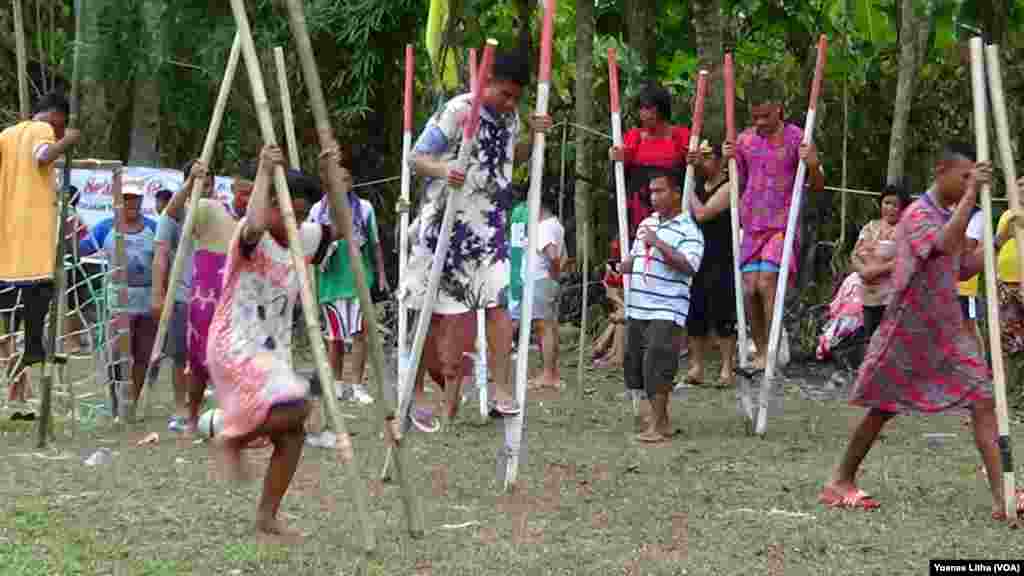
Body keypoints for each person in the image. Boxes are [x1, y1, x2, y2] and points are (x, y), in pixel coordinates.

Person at [820, 143, 1023, 519]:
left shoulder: (948, 214)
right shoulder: (919, 216)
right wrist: (970, 196)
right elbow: (945, 243)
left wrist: (1000, 239)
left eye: (970, 178)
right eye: (962, 177)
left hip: (945, 332)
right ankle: (840, 480)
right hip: (907, 330)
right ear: (941, 170)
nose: (967, 184)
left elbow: (963, 267)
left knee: (982, 400)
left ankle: (1004, 495)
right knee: (881, 408)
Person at [402, 49, 551, 418]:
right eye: (505, 94)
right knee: (425, 308)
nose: (510, 103)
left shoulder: (512, 119)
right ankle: (416, 390)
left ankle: (501, 387)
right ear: (486, 83)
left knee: (499, 304)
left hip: (490, 229)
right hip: (443, 227)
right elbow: (416, 158)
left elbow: (504, 159)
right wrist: (445, 170)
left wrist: (533, 137)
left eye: (516, 97)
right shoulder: (458, 110)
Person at [208, 143, 342, 540]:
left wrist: (332, 180)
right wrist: (265, 170)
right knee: (299, 406)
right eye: (286, 212)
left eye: (300, 215)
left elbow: (346, 229)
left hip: (270, 351)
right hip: (235, 342)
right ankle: (231, 434)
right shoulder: (252, 236)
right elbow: (253, 222)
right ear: (269, 206)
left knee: (293, 433)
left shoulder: (304, 238)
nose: (292, 221)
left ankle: (267, 516)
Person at [691, 83, 825, 370]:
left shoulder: (797, 138)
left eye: (766, 116)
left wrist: (812, 165)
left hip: (781, 223)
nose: (760, 122)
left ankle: (774, 347)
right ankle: (762, 349)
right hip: (752, 224)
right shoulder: (745, 140)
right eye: (755, 117)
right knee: (749, 287)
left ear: (778, 109)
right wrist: (727, 156)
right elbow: (734, 178)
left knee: (767, 282)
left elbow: (817, 185)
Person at [163, 160, 253, 433]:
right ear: (233, 190)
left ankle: (235, 417)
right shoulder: (209, 208)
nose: (245, 199)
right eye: (241, 192)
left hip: (241, 299)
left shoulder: (258, 223)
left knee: (237, 360)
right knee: (199, 359)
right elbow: (172, 213)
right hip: (206, 297)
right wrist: (190, 183)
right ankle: (191, 416)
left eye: (252, 193)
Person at [0, 92, 81, 375]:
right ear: (56, 115)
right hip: (32, 221)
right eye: (63, 122)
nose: (61, 127)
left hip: (8, 221)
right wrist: (68, 140)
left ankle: (27, 345)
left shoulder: (7, 134)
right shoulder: (42, 129)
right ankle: (34, 346)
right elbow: (43, 157)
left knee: (16, 285)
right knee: (41, 284)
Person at [622, 171, 704, 443]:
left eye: (660, 191)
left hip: (667, 307)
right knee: (636, 363)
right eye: (652, 192)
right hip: (638, 305)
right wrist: (619, 268)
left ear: (676, 193)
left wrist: (658, 242)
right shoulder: (647, 223)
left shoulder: (689, 229)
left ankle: (656, 427)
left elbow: (689, 266)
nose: (654, 197)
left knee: (658, 362)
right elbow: (635, 259)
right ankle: (662, 421)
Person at [307, 147, 388, 406]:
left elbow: (374, 244)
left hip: (359, 280)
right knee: (335, 338)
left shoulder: (364, 209)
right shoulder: (316, 212)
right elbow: (310, 250)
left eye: (345, 179)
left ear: (351, 182)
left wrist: (382, 276)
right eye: (335, 179)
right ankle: (338, 384)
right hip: (329, 282)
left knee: (360, 335)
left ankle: (356, 385)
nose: (340, 183)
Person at [79, 177, 159, 421]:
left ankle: (132, 403)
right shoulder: (105, 227)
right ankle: (115, 401)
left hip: (146, 297)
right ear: (117, 201)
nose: (130, 203)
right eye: (125, 199)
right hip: (117, 298)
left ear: (140, 201)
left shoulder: (154, 228)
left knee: (142, 354)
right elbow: (80, 248)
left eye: (135, 198)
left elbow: (168, 257)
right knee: (116, 352)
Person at [152, 170, 209, 432]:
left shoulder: (216, 213)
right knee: (180, 355)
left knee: (205, 357)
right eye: (201, 184)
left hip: (212, 297)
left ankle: (196, 407)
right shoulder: (175, 215)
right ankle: (179, 407)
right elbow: (161, 257)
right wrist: (159, 294)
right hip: (183, 295)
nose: (205, 189)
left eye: (209, 185)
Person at [684, 142, 737, 387]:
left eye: (707, 157)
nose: (701, 162)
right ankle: (696, 366)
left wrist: (688, 191)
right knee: (696, 311)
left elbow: (703, 213)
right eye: (700, 157)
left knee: (722, 311)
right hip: (696, 257)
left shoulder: (728, 186)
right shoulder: (696, 184)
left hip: (720, 256)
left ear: (718, 160)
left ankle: (727, 369)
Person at [609, 83, 691, 241]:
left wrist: (695, 160)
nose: (647, 114)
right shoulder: (634, 137)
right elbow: (620, 168)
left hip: (672, 208)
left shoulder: (680, 136)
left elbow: (692, 170)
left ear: (662, 110)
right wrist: (614, 156)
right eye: (643, 109)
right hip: (640, 210)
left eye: (652, 109)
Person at [512, 192, 565, 390]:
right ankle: (548, 372)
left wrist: (553, 275)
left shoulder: (545, 227)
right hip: (539, 280)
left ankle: (549, 374)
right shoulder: (552, 225)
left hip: (540, 280)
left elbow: (552, 256)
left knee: (544, 328)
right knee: (545, 326)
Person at [850, 183, 911, 346]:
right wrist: (863, 271)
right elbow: (855, 253)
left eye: (895, 205)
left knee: (890, 337)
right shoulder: (871, 227)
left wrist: (876, 270)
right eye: (887, 203)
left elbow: (903, 259)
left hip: (892, 294)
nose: (890, 208)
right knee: (870, 336)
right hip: (869, 293)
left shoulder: (905, 231)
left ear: (903, 208)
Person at [994, 179, 1024, 388]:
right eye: (1019, 184)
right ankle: (1004, 392)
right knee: (1006, 342)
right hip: (1005, 284)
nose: (1022, 188)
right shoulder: (1006, 215)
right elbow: (997, 246)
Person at [592, 239, 625, 369]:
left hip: (628, 303)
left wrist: (618, 299)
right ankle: (612, 351)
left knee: (621, 313)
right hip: (619, 300)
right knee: (620, 312)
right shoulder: (611, 265)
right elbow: (609, 289)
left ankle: (614, 353)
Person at [958, 208, 986, 357]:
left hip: (965, 287)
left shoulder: (977, 214)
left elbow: (969, 245)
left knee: (969, 327)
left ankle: (980, 365)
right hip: (945, 284)